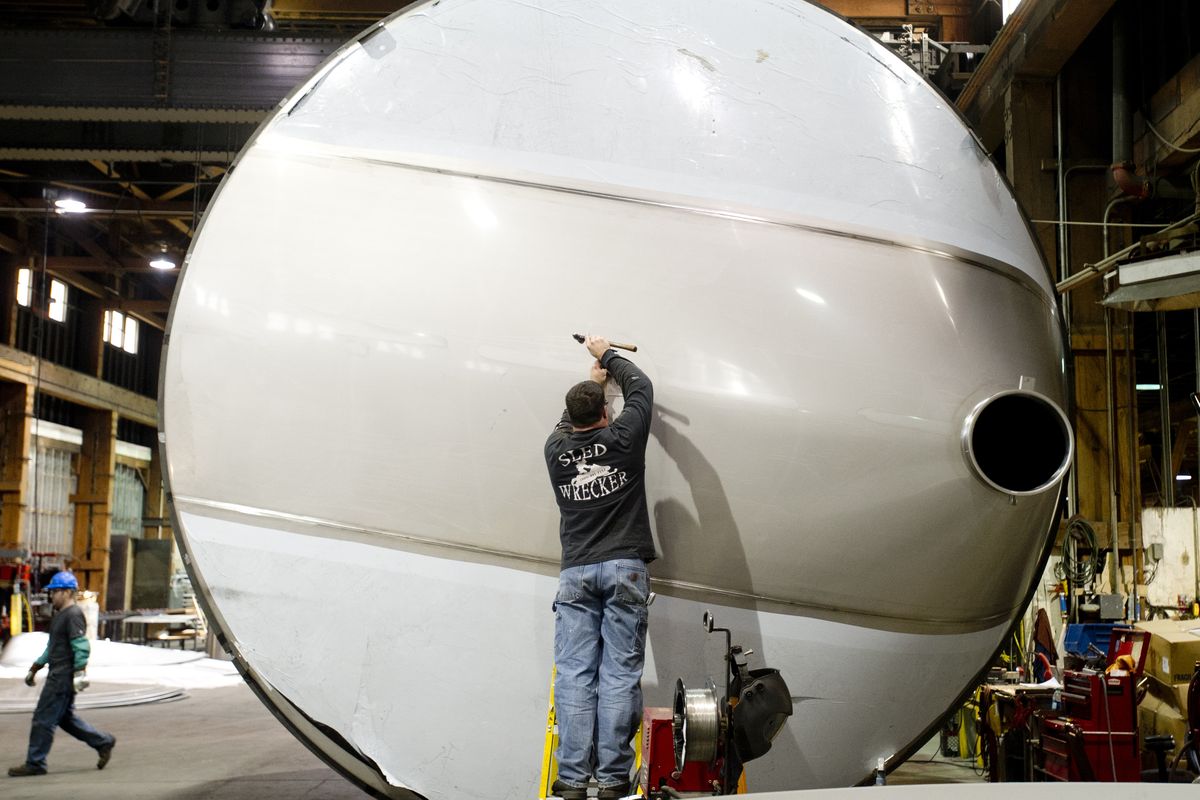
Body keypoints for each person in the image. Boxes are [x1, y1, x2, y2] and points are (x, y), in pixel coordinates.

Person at [545, 334, 656, 800]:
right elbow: (642, 389)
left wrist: (589, 383)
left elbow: (564, 425)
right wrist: (606, 355)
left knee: (575, 675)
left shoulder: (555, 451)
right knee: (618, 675)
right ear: (605, 415)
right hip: (624, 569)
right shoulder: (624, 439)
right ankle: (612, 780)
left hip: (576, 573)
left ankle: (571, 780)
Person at [8, 570, 115, 777]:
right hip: (57, 674)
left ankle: (35, 762)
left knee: (43, 719)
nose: (52, 596)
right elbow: (52, 647)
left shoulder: (73, 615)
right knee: (65, 719)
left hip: (62, 678)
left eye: (55, 592)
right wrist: (36, 666)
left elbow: (81, 646)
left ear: (66, 592)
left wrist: (79, 673)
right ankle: (103, 742)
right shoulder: (60, 617)